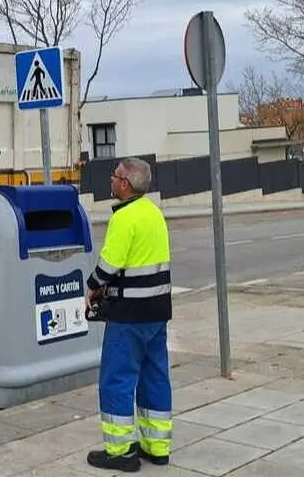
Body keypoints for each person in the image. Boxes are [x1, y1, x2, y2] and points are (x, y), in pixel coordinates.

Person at [85, 157, 173, 472]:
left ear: (125, 184)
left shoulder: (124, 217)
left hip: (129, 315)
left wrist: (92, 287)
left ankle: (121, 452)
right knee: (155, 376)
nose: (112, 180)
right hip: (157, 312)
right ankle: (157, 446)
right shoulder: (154, 213)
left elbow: (109, 265)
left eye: (115, 176)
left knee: (117, 379)